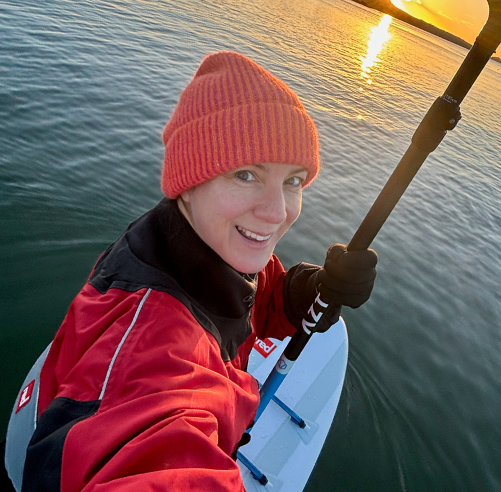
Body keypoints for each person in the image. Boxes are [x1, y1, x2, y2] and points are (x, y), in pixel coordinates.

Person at [4, 51, 377, 492]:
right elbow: (153, 456)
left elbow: (257, 298)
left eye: (293, 181)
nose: (278, 212)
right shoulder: (156, 356)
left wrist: (307, 292)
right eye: (246, 175)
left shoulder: (195, 248)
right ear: (189, 181)